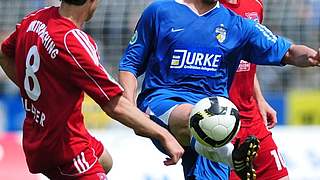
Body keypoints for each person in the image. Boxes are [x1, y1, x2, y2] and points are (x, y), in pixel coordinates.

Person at [119, 0, 320, 179]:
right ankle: (232, 158)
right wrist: (129, 107)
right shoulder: (160, 10)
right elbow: (130, 63)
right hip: (163, 102)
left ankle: (228, 156)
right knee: (202, 115)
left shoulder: (236, 24)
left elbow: (289, 52)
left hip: (216, 124)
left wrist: (313, 57)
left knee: (214, 124)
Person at [0, 0, 184, 179]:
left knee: (105, 161)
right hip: (64, 147)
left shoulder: (35, 19)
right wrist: (163, 134)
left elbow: (3, 54)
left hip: (40, 132)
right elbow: (114, 105)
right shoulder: (72, 41)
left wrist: (37, 94)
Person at [220, 0, 290, 179]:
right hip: (220, 121)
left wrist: (259, 98)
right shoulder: (207, 7)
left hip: (251, 116)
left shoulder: (255, 4)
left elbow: (248, 56)